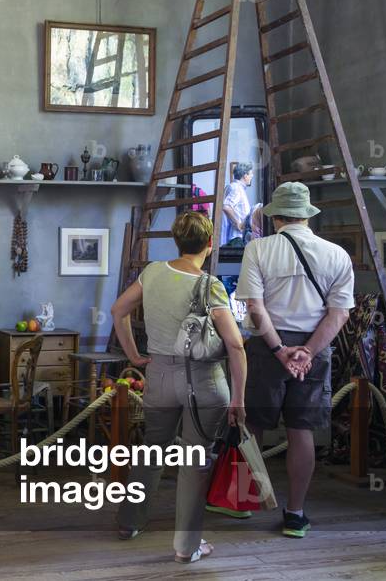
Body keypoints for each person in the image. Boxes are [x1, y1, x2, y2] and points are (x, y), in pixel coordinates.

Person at [111, 211, 247, 564]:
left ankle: (129, 522)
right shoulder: (209, 285)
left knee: (151, 450)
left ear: (177, 240)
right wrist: (239, 398)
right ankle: (186, 547)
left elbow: (118, 309)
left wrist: (134, 354)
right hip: (202, 382)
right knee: (194, 461)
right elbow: (235, 344)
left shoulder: (153, 272)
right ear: (210, 243)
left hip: (158, 376)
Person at [235, 182, 354, 538]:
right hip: (314, 349)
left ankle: (245, 499)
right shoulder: (337, 255)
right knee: (300, 431)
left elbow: (255, 308)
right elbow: (340, 314)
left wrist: (278, 350)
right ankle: (296, 513)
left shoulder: (258, 249)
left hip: (267, 348)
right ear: (307, 216)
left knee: (253, 426)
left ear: (276, 218)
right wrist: (308, 351)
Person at [222, 162, 254, 244]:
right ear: (245, 175)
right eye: (251, 173)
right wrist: (238, 224)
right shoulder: (236, 188)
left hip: (236, 237)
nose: (252, 176)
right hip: (235, 237)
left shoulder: (235, 187)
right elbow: (226, 207)